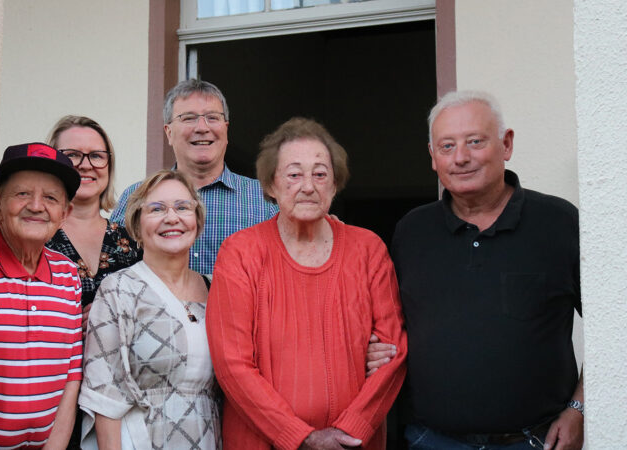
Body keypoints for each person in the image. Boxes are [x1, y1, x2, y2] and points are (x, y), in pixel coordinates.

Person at [389, 91, 583, 449]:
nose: (460, 158)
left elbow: (615, 326)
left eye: (475, 142)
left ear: (506, 144)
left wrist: (579, 409)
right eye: (446, 146)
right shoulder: (411, 232)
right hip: (431, 440)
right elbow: (388, 325)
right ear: (433, 157)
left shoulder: (560, 222)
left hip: (533, 441)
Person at [206, 117, 407, 450]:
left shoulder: (368, 249)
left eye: (320, 174)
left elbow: (393, 351)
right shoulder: (240, 252)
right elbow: (232, 363)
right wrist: (300, 436)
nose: (308, 186)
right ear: (271, 185)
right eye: (294, 174)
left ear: (334, 183)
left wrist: (349, 431)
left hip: (354, 445)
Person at [78, 170, 220, 449]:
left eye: (183, 207)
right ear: (137, 224)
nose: (172, 217)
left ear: (197, 220)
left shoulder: (217, 290)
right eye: (157, 209)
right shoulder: (118, 290)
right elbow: (105, 397)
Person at [44, 116, 142, 449]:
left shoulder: (131, 240)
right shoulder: (36, 234)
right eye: (72, 155)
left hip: (116, 401)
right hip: (48, 395)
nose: (86, 165)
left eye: (97, 156)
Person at [110, 79, 277, 275]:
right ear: (169, 132)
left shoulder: (265, 200)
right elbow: (115, 272)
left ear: (226, 129)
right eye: (189, 118)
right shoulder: (136, 198)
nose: (202, 128)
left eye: (212, 118)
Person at [0, 143, 83, 449]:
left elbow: (72, 375)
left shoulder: (68, 273)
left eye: (51, 198)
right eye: (22, 194)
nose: (36, 206)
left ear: (65, 213)